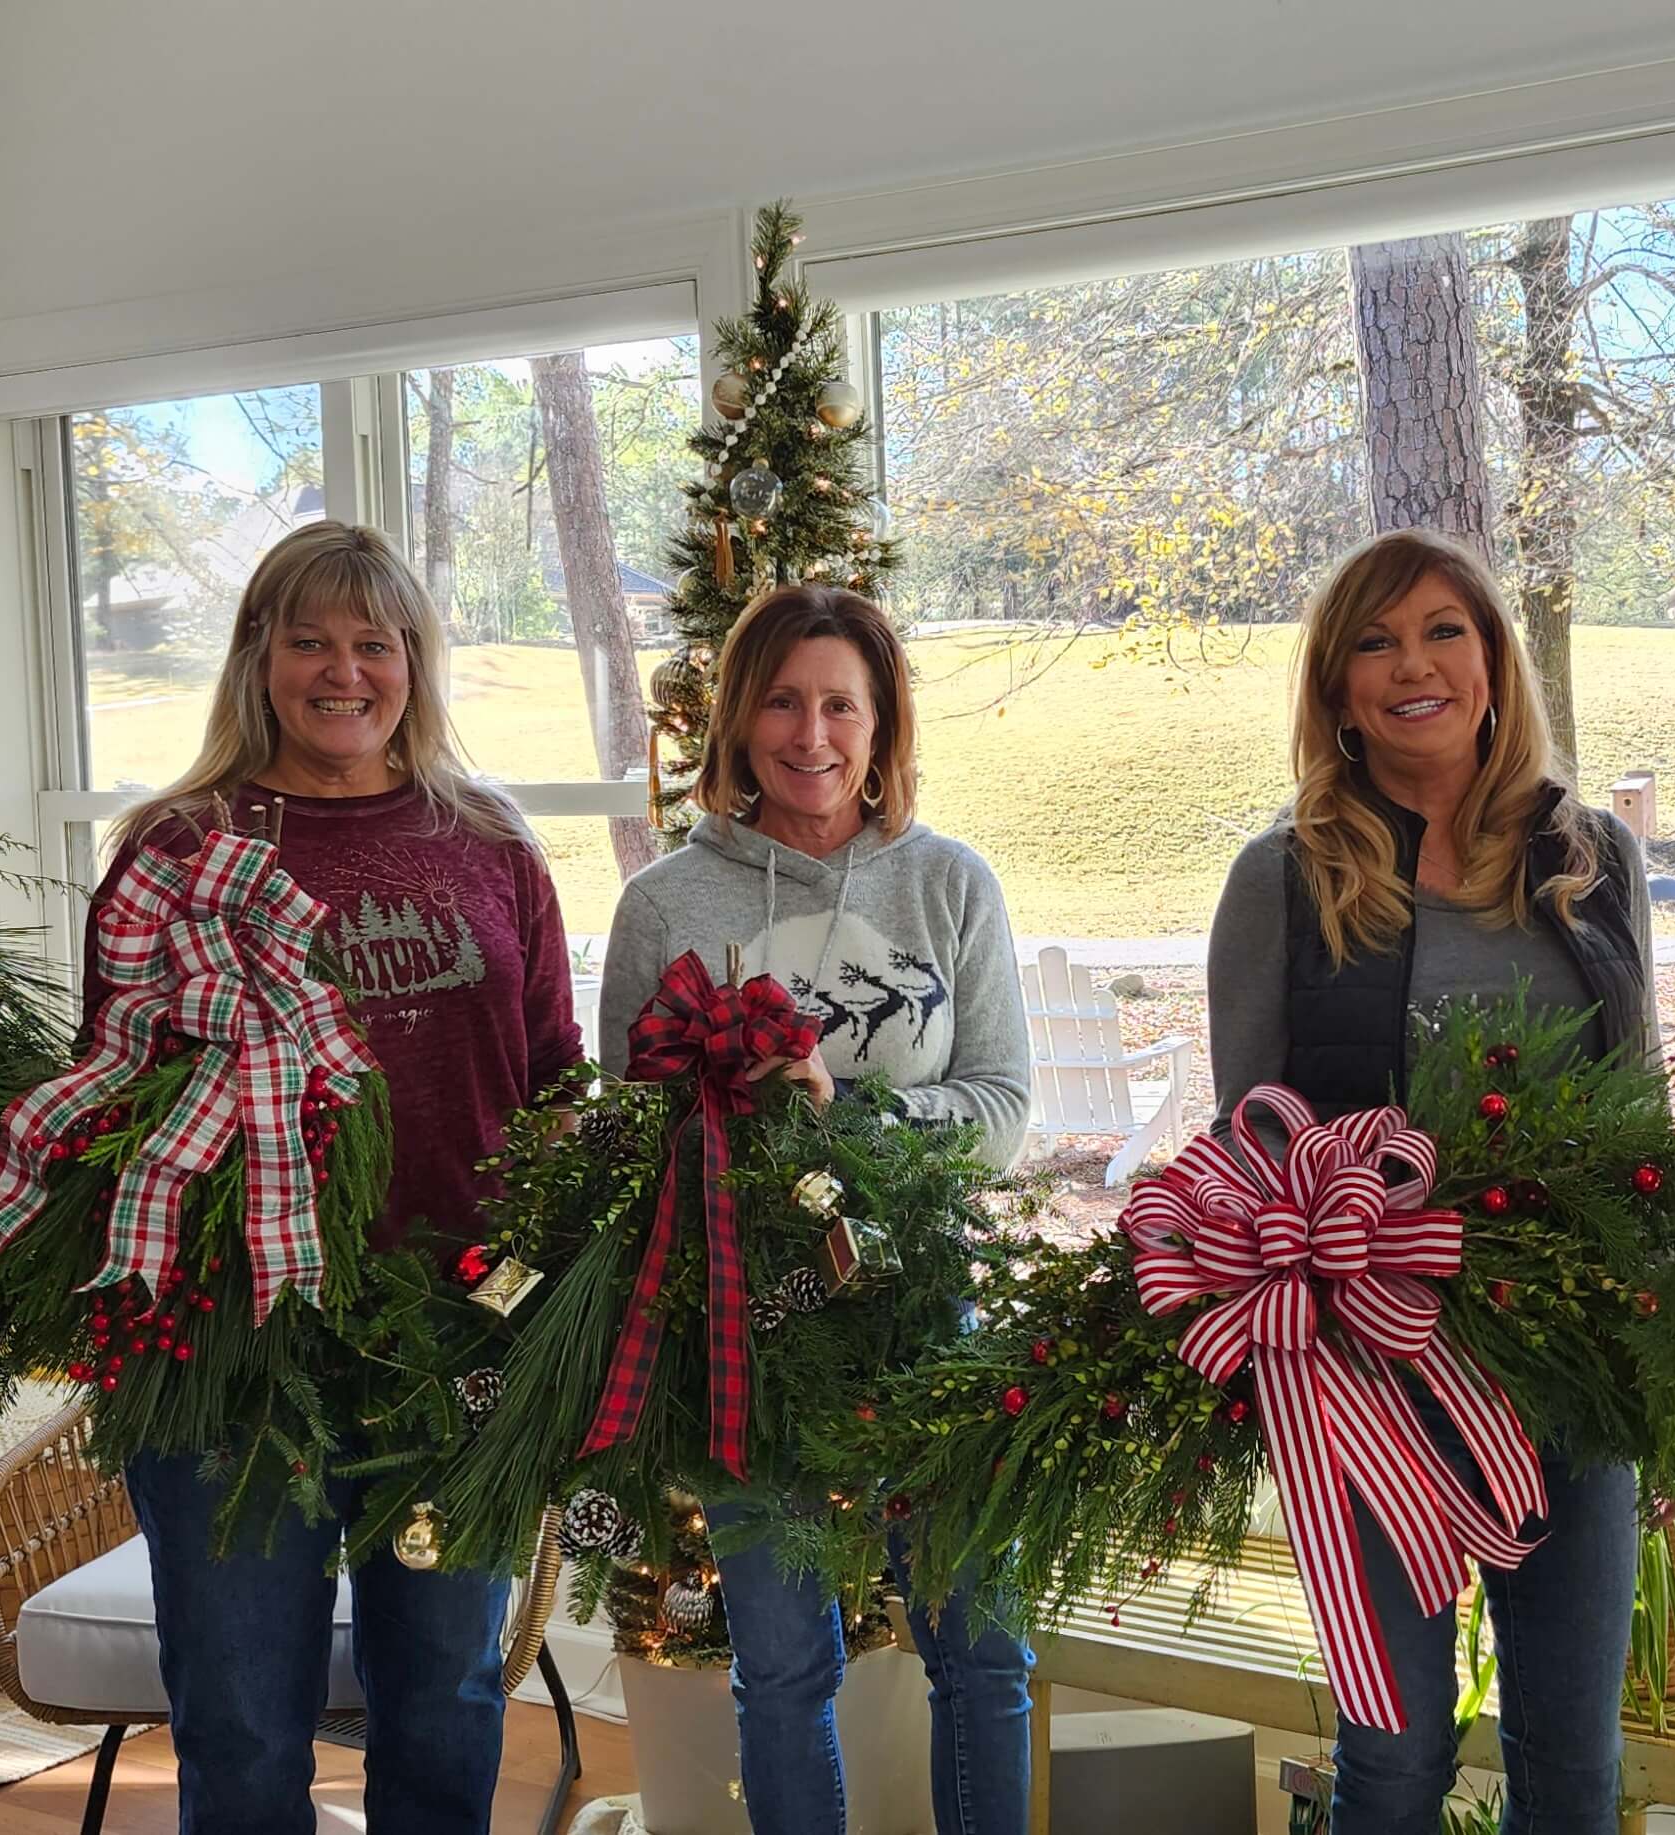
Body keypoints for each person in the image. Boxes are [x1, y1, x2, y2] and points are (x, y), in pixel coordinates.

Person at [94, 521, 580, 1834]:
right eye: (308, 638)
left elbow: (551, 1076)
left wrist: (553, 1302)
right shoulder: (176, 848)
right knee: (242, 1718)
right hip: (232, 1349)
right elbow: (108, 1092)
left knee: (444, 1700)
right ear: (257, 656)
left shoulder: (487, 840)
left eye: (375, 642)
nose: (342, 670)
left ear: (415, 662)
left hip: (455, 1340)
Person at [1203, 527, 1654, 1835]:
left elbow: (1642, 1110)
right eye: (1375, 641)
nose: (1413, 665)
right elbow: (1249, 1142)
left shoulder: (1593, 857)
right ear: (1337, 689)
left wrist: (1661, 1344)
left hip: (1570, 1368)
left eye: (1443, 630)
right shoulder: (1284, 877)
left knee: (1571, 1762)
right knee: (1394, 1761)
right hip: (1370, 1381)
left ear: (1492, 661)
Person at [595, 584, 1034, 1835]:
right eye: (782, 701)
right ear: (738, 719)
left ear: (881, 721)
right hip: (750, 1334)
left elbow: (1002, 1107)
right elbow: (632, 1136)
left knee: (982, 1652)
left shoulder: (949, 884)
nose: (811, 733)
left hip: (931, 1316)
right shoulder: (666, 905)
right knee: (783, 1670)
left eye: (841, 703)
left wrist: (840, 1122)